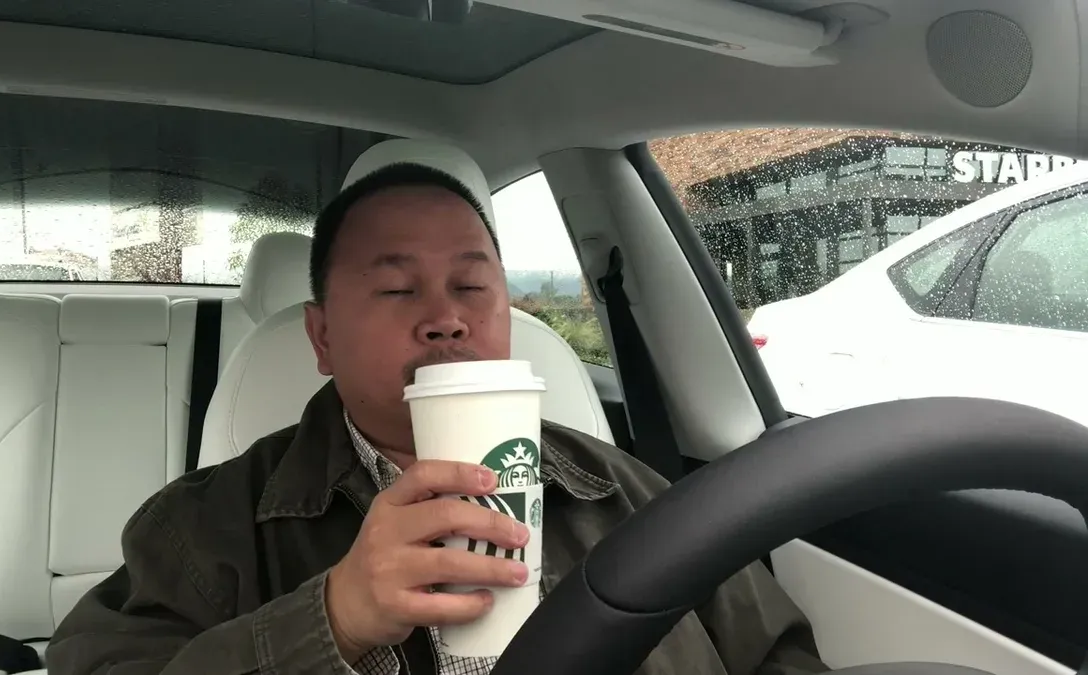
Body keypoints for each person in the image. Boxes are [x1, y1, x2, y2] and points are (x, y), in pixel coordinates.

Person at [45, 152, 828, 675]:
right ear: (322, 337)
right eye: (396, 288)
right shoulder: (201, 529)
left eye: (472, 285)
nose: (446, 317)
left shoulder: (624, 489)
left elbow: (778, 654)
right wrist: (332, 618)